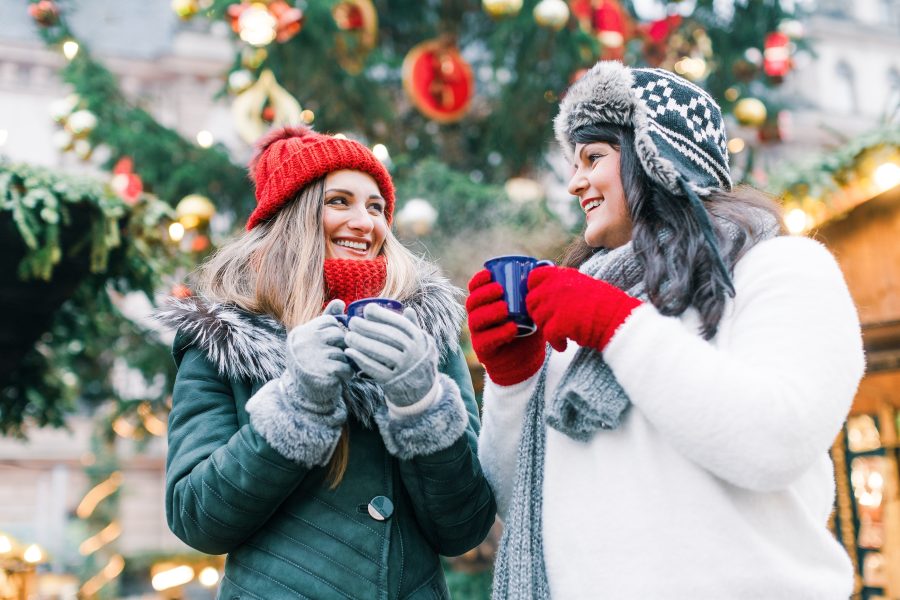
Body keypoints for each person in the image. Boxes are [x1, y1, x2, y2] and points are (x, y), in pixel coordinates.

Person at [466, 61, 864, 599]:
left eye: (594, 157)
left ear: (656, 157)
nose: (575, 181)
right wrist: (513, 379)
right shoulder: (579, 311)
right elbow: (525, 505)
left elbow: (775, 439)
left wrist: (616, 325)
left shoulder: (779, 269)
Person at [158, 126, 495, 599]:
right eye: (339, 201)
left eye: (376, 206)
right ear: (292, 215)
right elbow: (196, 518)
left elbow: (465, 526)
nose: (365, 222)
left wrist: (421, 404)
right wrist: (297, 405)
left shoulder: (423, 335)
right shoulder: (225, 340)